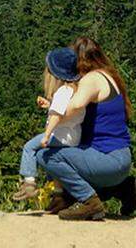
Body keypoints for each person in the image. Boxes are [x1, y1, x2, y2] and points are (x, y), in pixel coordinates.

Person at [34, 37, 135, 221]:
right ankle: (124, 188)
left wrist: (54, 112)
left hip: (107, 159)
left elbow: (75, 106)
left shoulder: (91, 79)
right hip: (119, 159)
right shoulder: (108, 75)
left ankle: (90, 203)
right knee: (70, 163)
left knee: (46, 156)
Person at [11, 47, 84, 201]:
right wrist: (49, 104)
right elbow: (64, 111)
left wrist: (46, 134)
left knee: (29, 147)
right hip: (73, 137)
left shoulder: (62, 91)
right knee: (50, 156)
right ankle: (59, 193)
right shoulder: (75, 90)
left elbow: (57, 116)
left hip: (60, 136)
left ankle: (29, 183)